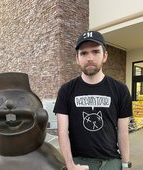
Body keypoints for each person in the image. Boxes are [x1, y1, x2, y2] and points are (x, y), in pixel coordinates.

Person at [53, 31, 133, 170]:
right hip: (79, 163)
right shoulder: (66, 90)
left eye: (95, 52)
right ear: (77, 58)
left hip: (112, 162)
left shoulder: (120, 90)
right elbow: (62, 131)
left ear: (105, 56)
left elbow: (123, 132)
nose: (90, 58)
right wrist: (70, 164)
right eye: (84, 53)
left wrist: (125, 164)